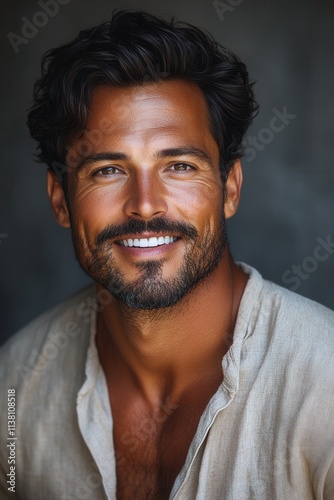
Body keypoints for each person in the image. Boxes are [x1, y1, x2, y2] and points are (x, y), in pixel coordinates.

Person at [0, 9, 333, 500]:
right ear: (60, 200)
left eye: (178, 165)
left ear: (231, 188)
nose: (145, 204)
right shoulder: (14, 384)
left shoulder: (324, 387)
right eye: (108, 170)